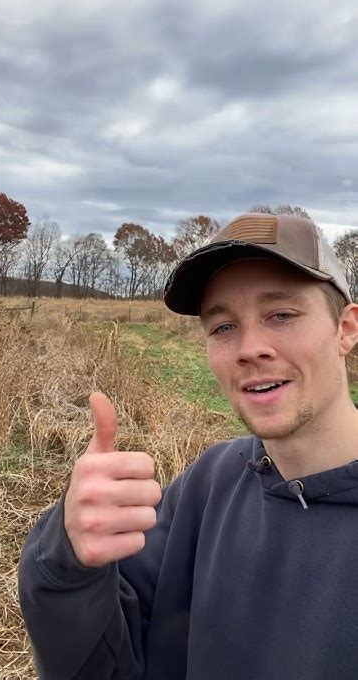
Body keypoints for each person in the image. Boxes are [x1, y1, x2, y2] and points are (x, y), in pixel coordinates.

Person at [18, 212, 358, 680]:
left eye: (281, 315)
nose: (249, 347)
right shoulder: (208, 485)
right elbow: (107, 665)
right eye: (223, 327)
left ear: (346, 329)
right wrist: (68, 560)